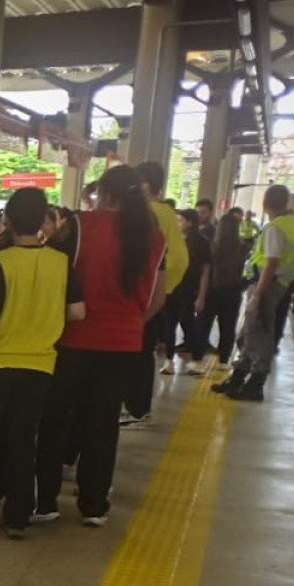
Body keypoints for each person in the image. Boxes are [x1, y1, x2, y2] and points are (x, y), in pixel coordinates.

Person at [34, 164, 166, 527]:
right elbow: (158, 296)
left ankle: (45, 501)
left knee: (56, 420)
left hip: (73, 339)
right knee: (103, 424)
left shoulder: (80, 225)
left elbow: (51, 273)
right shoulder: (153, 236)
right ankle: (93, 505)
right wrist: (132, 323)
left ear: (104, 192)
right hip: (124, 344)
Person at [0, 188, 84, 538]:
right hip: (41, 364)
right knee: (23, 439)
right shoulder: (62, 263)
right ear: (44, 222)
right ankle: (19, 515)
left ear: (7, 220)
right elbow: (78, 312)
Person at [214, 184, 294, 402]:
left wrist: (257, 295)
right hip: (281, 283)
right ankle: (238, 377)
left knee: (260, 334)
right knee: (249, 332)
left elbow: (271, 262)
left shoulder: (275, 228)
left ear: (266, 203)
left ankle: (255, 384)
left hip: (266, 285)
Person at [121, 161, 187, 426]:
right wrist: (166, 288)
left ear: (145, 185)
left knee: (137, 351)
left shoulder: (149, 213)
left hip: (143, 296)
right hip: (157, 293)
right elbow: (180, 258)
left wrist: (152, 288)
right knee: (144, 350)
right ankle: (139, 406)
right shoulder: (168, 213)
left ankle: (136, 408)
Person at [161, 208, 211, 376]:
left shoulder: (202, 242)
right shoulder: (172, 240)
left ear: (190, 223)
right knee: (169, 324)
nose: (177, 224)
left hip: (188, 288)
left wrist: (201, 296)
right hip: (170, 287)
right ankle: (169, 361)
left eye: (180, 221)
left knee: (186, 322)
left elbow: (205, 271)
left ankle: (197, 359)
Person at [199, 205, 249, 362]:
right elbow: (244, 271)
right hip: (233, 291)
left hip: (211, 290)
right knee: (228, 328)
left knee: (203, 325)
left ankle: (198, 359)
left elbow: (205, 271)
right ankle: (223, 360)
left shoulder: (212, 246)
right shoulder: (243, 247)